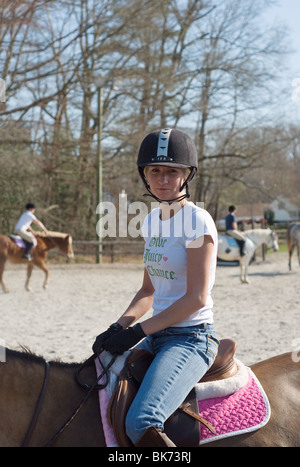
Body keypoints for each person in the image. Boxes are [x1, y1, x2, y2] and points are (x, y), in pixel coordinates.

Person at [92, 128, 219, 447]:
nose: (163, 179)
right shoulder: (151, 222)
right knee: (99, 392)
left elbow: (196, 298)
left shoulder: (196, 221)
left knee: (141, 421)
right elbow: (148, 290)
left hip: (191, 338)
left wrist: (138, 332)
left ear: (186, 175)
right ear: (145, 175)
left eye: (172, 171)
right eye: (155, 170)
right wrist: (119, 325)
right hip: (156, 336)